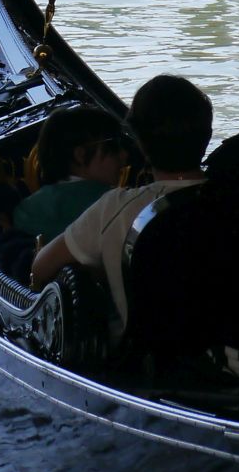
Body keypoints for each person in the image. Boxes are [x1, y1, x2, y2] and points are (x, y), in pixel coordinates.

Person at [30, 75, 214, 340]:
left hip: (150, 367)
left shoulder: (115, 208)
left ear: (140, 143)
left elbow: (40, 269)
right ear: (206, 135)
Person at [14, 107, 131, 249]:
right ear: (80, 155)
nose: (124, 155)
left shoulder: (25, 211)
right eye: (113, 146)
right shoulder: (118, 206)